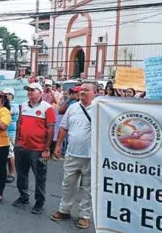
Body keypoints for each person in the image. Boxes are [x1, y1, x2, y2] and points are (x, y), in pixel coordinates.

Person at [51, 83, 96, 229]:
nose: (82, 92)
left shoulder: (99, 108)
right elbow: (64, 127)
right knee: (68, 184)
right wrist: (58, 145)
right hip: (72, 153)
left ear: (94, 93)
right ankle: (64, 210)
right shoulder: (73, 107)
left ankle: (84, 215)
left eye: (86, 90)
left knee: (88, 188)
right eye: (81, 90)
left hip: (91, 156)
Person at [12, 83, 55, 215]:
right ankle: (23, 195)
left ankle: (39, 202)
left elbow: (51, 129)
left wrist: (47, 149)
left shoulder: (47, 108)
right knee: (21, 174)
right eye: (28, 90)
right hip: (22, 146)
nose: (29, 92)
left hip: (38, 149)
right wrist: (17, 142)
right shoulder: (23, 105)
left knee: (40, 177)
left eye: (32, 90)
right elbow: (20, 123)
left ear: (40, 92)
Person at [3, 87, 18, 183]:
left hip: (10, 132)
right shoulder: (2, 104)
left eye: (7, 94)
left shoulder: (15, 105)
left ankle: (11, 173)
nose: (5, 96)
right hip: (1, 130)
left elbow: (10, 112)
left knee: (10, 153)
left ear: (11, 95)